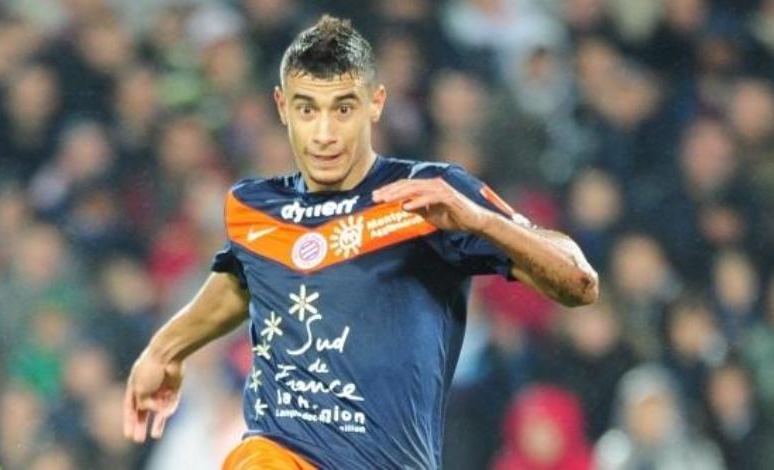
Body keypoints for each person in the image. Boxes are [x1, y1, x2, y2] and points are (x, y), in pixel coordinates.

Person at [122, 15, 598, 470]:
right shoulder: (256, 208)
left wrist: (482, 222)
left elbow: (580, 283)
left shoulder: (431, 194)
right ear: (282, 107)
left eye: (343, 108)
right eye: (307, 109)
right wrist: (163, 350)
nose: (324, 133)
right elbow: (239, 282)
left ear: (376, 103)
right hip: (279, 450)